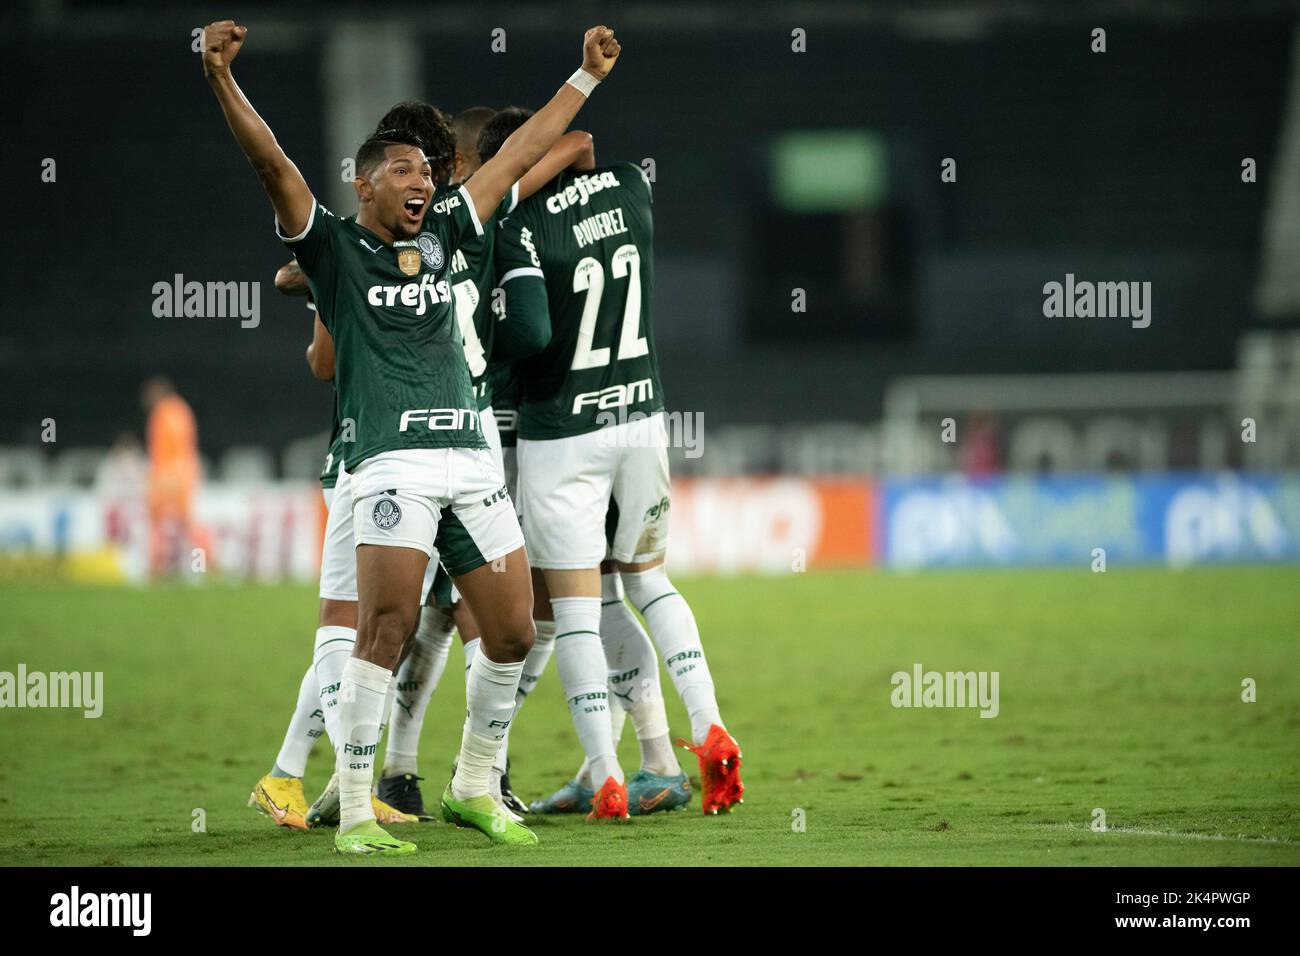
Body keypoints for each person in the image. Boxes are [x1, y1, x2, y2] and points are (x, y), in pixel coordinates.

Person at [201, 18, 620, 855]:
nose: (421, 179)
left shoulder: (456, 233)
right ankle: (356, 810)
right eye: (401, 170)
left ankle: (473, 783)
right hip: (388, 465)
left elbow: (516, 154)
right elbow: (271, 162)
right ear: (363, 185)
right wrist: (219, 76)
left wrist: (585, 76)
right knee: (384, 629)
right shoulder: (333, 248)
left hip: (471, 464)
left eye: (426, 170)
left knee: (510, 631)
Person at [490, 112, 745, 817]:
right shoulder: (632, 187)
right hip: (641, 419)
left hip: (561, 434)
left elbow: (530, 331)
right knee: (648, 583)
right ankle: (707, 724)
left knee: (576, 613)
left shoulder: (516, 228)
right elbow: (586, 147)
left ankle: (606, 773)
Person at [140, 377, 213, 578]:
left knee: (159, 522)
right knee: (186, 524)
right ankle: (206, 564)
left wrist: (165, 478)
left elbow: (166, 451)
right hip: (185, 475)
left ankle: (157, 567)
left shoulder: (163, 413)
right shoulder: (181, 409)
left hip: (170, 477)